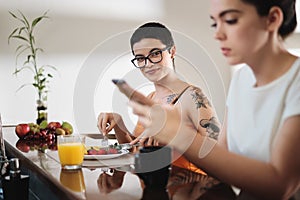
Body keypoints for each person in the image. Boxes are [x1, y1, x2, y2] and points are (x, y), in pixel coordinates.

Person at [128, 0, 300, 199]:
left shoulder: (295, 82)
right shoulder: (242, 79)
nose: (218, 34)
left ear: (272, 19)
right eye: (215, 23)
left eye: (230, 20)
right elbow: (221, 159)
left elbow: (280, 186)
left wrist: (180, 134)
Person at [97, 22, 220, 175]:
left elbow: (219, 154)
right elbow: (138, 152)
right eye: (140, 58)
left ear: (172, 51)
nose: (148, 64)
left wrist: (174, 134)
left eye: (155, 53)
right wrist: (119, 125)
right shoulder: (151, 98)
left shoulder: (193, 96)